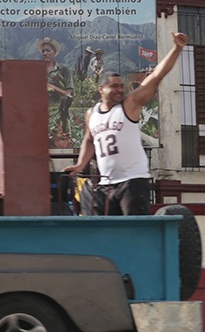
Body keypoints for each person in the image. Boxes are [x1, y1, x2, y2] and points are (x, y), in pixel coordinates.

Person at [64, 32, 189, 216]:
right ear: (101, 89)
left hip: (133, 181)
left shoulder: (129, 105)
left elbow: (156, 76)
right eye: (114, 86)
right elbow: (90, 140)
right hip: (106, 184)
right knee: (107, 234)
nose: (119, 90)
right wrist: (80, 165)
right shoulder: (92, 113)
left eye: (121, 86)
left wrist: (177, 49)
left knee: (134, 233)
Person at [38, 37, 73, 135]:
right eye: (43, 51)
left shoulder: (63, 69)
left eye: (48, 50)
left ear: (54, 52)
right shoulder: (37, 70)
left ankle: (65, 130)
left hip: (59, 104)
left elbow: (70, 90)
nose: (45, 53)